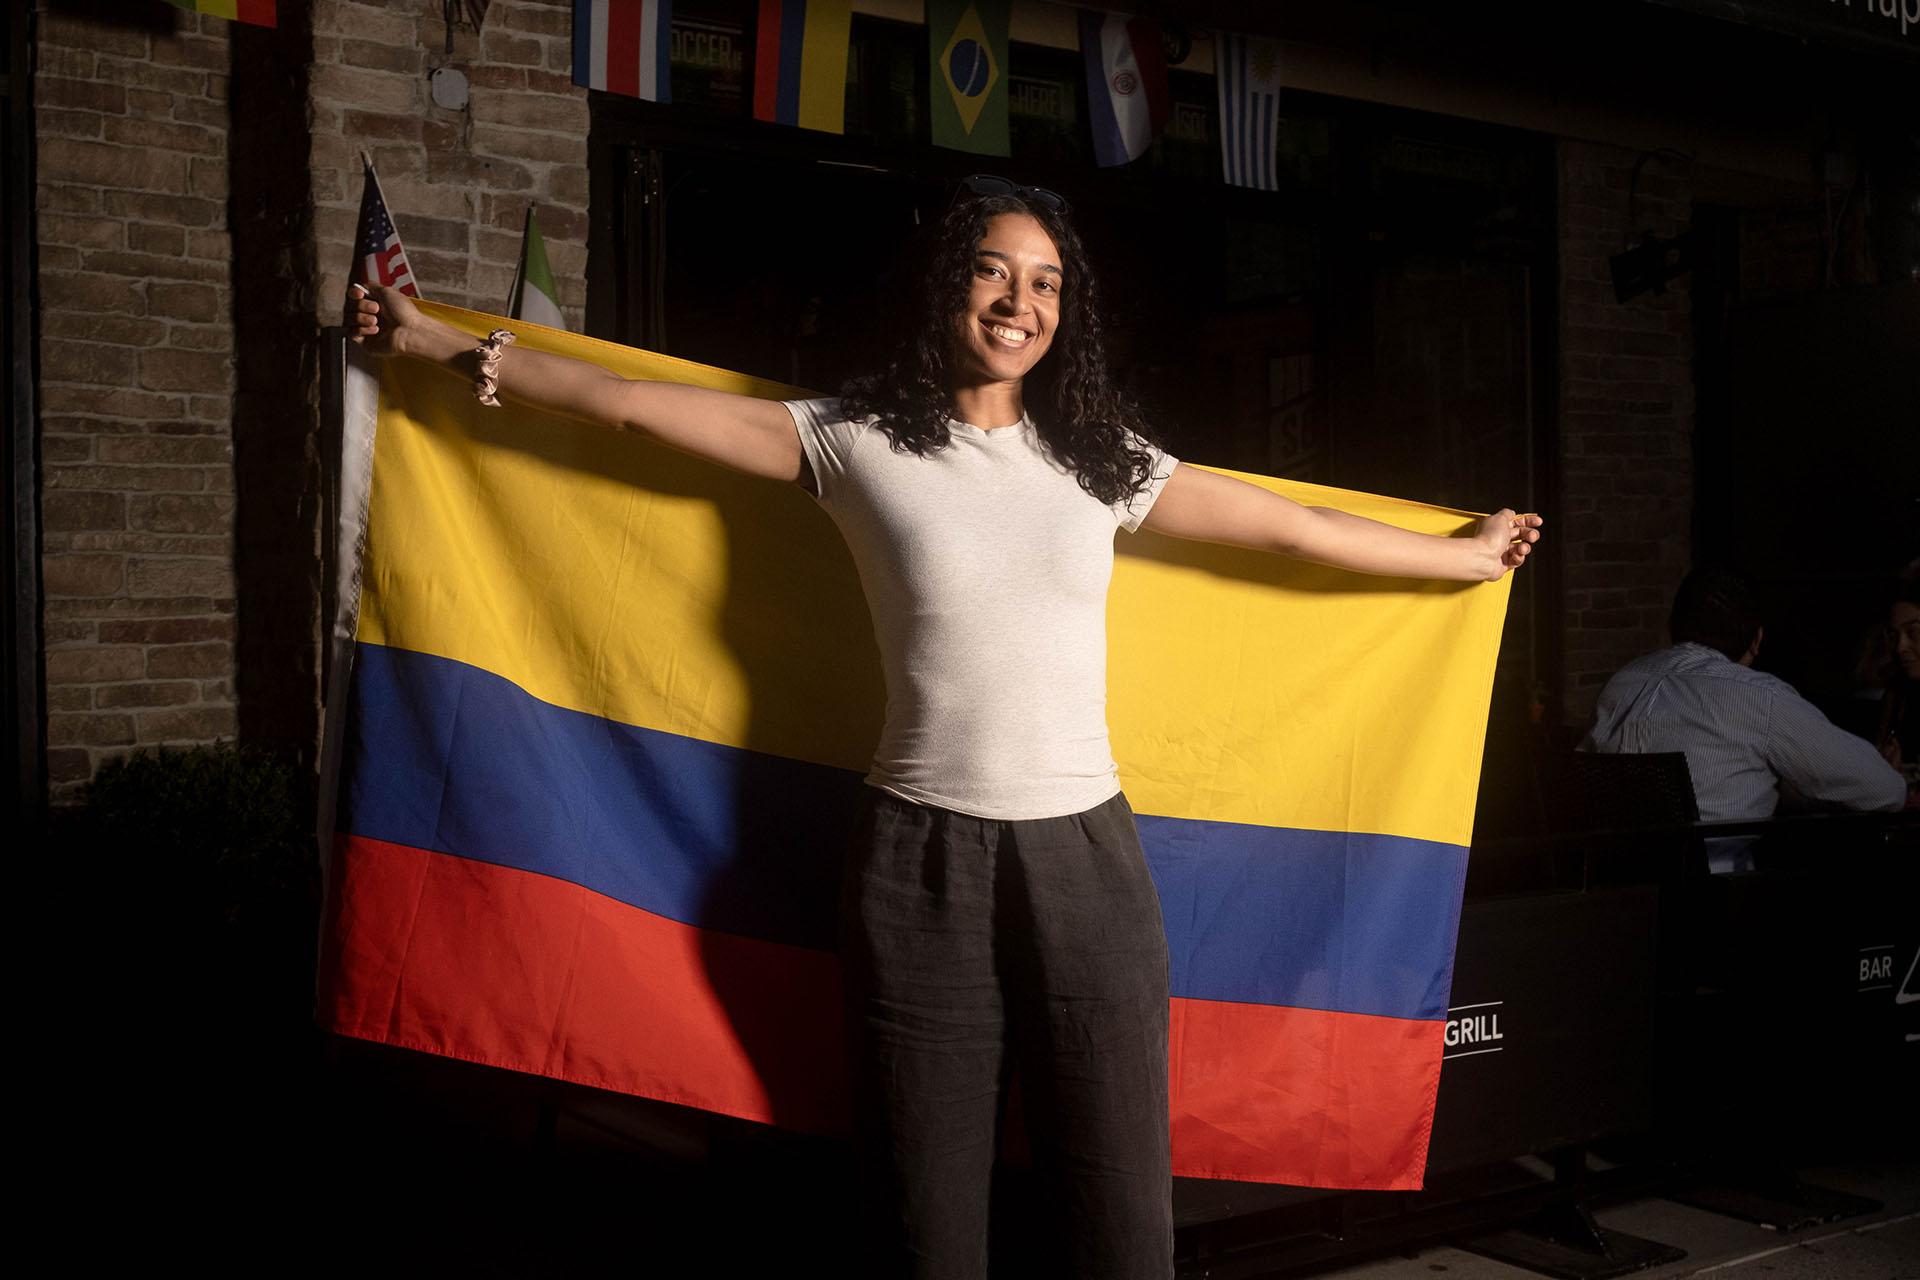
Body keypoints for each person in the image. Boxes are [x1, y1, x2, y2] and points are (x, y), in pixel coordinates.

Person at [345, 175, 1542, 1280]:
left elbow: (1289, 527)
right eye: (993, 270)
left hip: (1086, 860)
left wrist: (1466, 558)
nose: (1020, 301)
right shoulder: (853, 437)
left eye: (1046, 281)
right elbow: (629, 409)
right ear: (947, 285)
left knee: (1121, 1211)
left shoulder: (1100, 460)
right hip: (916, 862)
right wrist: (434, 340)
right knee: (925, 1214)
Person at [1581, 568, 1906, 829]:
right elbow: (1885, 791)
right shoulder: (1758, 697)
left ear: (1673, 627)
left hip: (1610, 882)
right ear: (1756, 640)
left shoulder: (1623, 681)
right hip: (1717, 885)